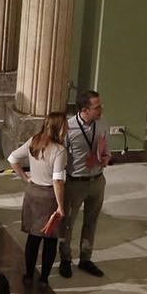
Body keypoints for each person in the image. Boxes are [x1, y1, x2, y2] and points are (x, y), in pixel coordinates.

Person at [8, 111, 69, 284]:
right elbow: (57, 180)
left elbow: (12, 158)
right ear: (59, 127)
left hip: (33, 193)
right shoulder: (59, 150)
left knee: (33, 238)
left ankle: (28, 275)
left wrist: (25, 177)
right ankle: (43, 278)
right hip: (49, 196)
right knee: (50, 239)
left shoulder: (33, 141)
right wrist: (60, 206)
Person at [59, 89, 110, 277]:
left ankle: (85, 258)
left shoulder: (102, 123)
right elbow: (60, 156)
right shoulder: (69, 128)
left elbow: (106, 147)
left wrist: (106, 157)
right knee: (68, 223)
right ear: (84, 110)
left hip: (97, 180)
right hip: (75, 183)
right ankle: (65, 259)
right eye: (97, 107)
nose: (101, 109)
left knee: (91, 221)